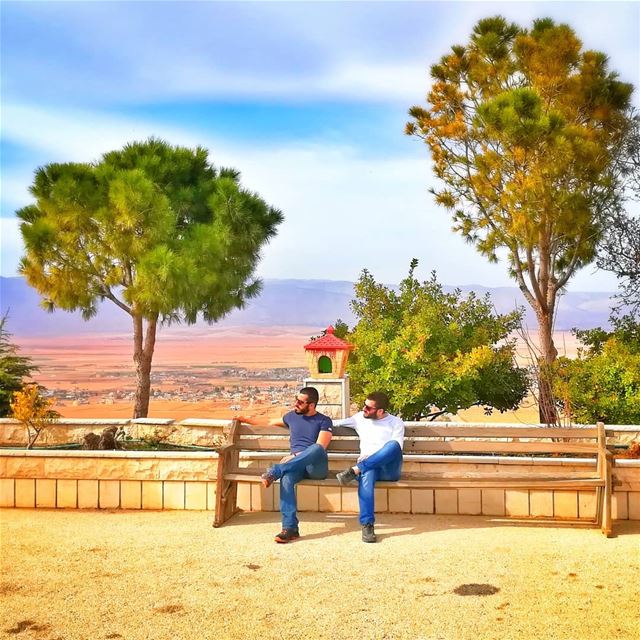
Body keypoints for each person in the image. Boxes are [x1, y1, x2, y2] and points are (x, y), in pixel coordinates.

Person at [237, 386, 332, 544]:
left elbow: (321, 446)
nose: (296, 404)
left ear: (312, 405)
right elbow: (268, 421)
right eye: (296, 400)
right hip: (296, 467)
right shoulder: (291, 417)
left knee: (316, 448)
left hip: (316, 467)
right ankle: (290, 528)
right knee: (286, 479)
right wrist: (245, 419)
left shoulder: (324, 420)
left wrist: (294, 456)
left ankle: (276, 470)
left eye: (300, 402)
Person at [333, 391, 405, 543]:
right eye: (364, 406)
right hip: (369, 468)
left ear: (380, 411)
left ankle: (356, 469)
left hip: (389, 469)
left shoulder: (395, 423)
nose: (364, 409)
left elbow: (396, 449)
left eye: (368, 408)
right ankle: (367, 525)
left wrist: (361, 465)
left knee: (393, 445)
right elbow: (335, 423)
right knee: (367, 472)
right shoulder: (359, 418)